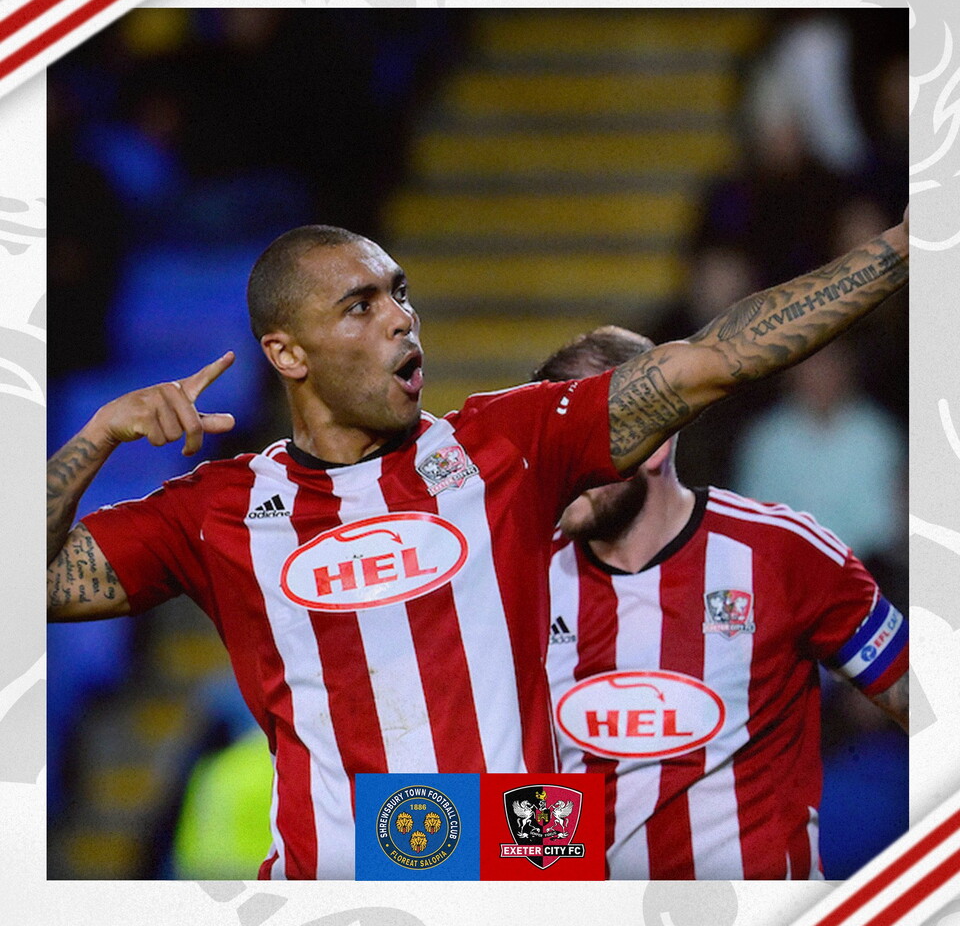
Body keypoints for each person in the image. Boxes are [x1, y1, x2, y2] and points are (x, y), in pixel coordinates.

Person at [47, 214, 909, 879]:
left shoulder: (505, 446)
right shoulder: (217, 512)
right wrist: (92, 441)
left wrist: (908, 245)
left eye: (401, 292)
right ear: (286, 351)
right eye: (363, 304)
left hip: (510, 866)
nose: (402, 319)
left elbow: (717, 357)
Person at [537, 326, 907, 881]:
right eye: (546, 437)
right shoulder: (522, 579)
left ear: (655, 442)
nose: (551, 464)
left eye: (577, 437)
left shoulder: (783, 553)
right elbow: (530, 814)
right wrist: (383, 840)